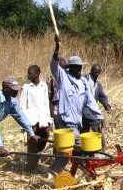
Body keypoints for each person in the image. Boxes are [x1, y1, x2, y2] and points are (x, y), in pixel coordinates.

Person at [50, 35, 104, 173]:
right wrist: (57, 47)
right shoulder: (63, 77)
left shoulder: (83, 82)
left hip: (76, 121)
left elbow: (90, 101)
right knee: (79, 144)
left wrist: (99, 116)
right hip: (65, 119)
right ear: (71, 68)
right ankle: (84, 169)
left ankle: (59, 169)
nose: (79, 70)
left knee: (67, 149)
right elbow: (54, 64)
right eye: (76, 68)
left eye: (80, 67)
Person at [19, 65, 53, 171]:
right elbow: (22, 105)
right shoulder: (26, 87)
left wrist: (49, 120)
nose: (28, 75)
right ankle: (31, 166)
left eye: (30, 73)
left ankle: (35, 160)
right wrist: (23, 123)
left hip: (43, 118)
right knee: (32, 142)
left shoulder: (44, 86)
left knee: (44, 138)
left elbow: (46, 103)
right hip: (31, 119)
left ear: (37, 74)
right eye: (28, 72)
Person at [81, 64, 112, 133]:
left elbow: (102, 97)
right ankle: (99, 142)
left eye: (98, 73)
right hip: (83, 106)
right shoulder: (84, 79)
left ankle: (84, 142)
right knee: (95, 122)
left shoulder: (98, 84)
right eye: (95, 72)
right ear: (91, 71)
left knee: (85, 128)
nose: (97, 74)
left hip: (91, 108)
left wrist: (107, 106)